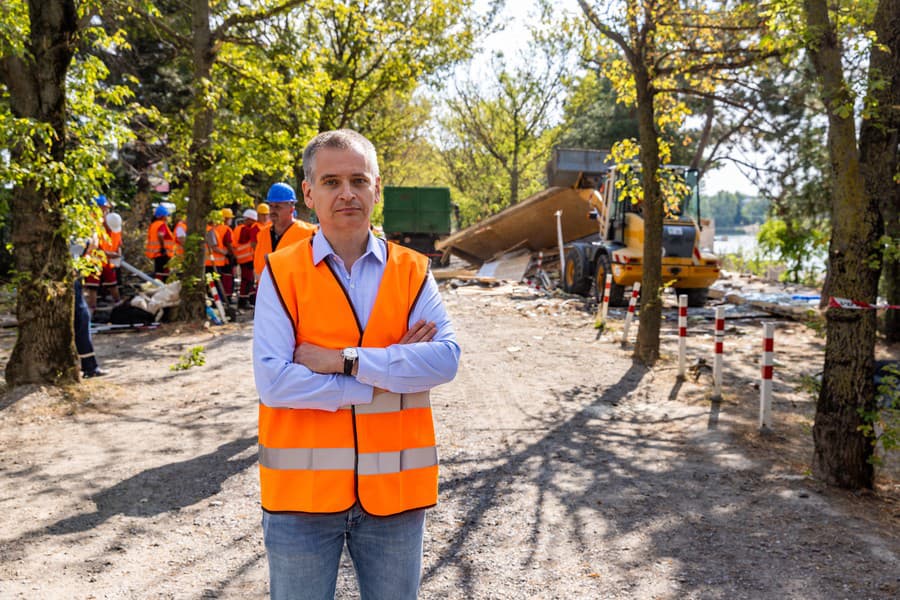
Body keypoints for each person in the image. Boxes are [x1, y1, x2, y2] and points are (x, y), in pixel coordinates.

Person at [253, 129, 460, 600]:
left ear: (376, 188)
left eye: (357, 180)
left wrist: (339, 362)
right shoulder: (281, 273)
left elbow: (445, 360)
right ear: (308, 193)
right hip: (300, 502)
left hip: (395, 499)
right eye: (330, 182)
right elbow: (274, 382)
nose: (346, 193)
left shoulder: (412, 270)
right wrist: (385, 375)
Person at [252, 182, 317, 280]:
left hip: (297, 293)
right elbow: (258, 269)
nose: (273, 211)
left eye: (277, 207)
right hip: (268, 293)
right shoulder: (262, 234)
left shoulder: (309, 233)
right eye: (271, 206)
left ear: (291, 209)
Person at [84, 195, 122, 312]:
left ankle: (118, 303)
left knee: (112, 283)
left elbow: (117, 240)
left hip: (107, 259)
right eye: (103, 208)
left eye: (106, 208)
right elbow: (91, 245)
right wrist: (107, 253)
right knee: (92, 286)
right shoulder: (91, 222)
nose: (105, 210)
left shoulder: (109, 220)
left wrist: (117, 251)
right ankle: (92, 309)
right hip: (94, 258)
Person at [233, 208, 260, 308]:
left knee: (250, 280)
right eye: (253, 221)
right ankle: (243, 302)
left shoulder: (239, 228)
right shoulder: (246, 229)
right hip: (247, 258)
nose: (254, 223)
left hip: (243, 258)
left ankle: (251, 300)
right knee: (247, 280)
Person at [145, 204, 174, 281]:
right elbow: (160, 235)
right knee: (164, 274)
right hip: (163, 253)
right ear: (162, 216)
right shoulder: (162, 225)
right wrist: (163, 248)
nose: (167, 217)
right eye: (166, 216)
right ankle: (163, 288)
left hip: (156, 253)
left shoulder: (153, 225)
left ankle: (159, 287)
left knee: (158, 273)